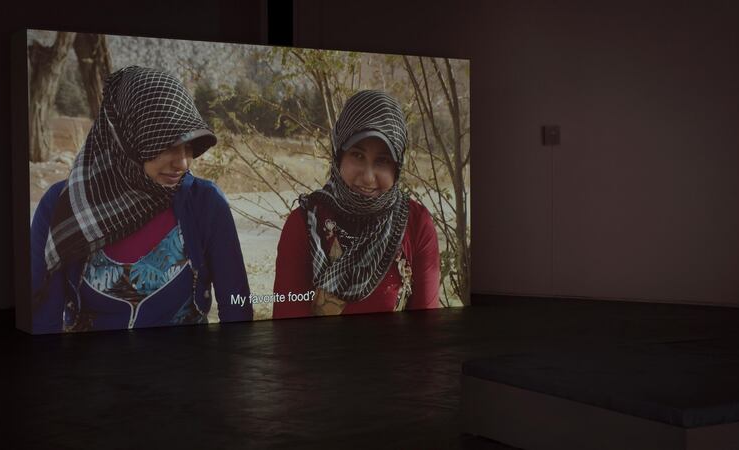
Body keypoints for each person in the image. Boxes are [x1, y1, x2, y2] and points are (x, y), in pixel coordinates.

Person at [31, 66, 251, 333]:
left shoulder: (204, 203)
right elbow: (43, 319)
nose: (182, 162)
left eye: (189, 146)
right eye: (167, 145)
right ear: (127, 139)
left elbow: (237, 312)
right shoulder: (63, 206)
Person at [272, 90, 440, 318]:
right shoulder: (305, 224)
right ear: (339, 155)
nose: (368, 177)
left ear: (397, 167)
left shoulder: (415, 223)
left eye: (382, 160)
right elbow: (288, 333)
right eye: (357, 155)